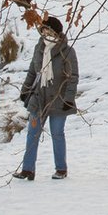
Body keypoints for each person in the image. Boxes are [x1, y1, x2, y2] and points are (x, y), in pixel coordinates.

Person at [14, 16, 78, 181]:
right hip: (38, 97)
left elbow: (72, 77)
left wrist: (69, 99)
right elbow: (32, 72)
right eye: (43, 30)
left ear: (56, 33)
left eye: (47, 30)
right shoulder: (39, 48)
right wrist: (25, 90)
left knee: (57, 133)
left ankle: (61, 169)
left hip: (58, 98)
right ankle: (28, 169)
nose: (44, 33)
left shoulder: (67, 52)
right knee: (32, 133)